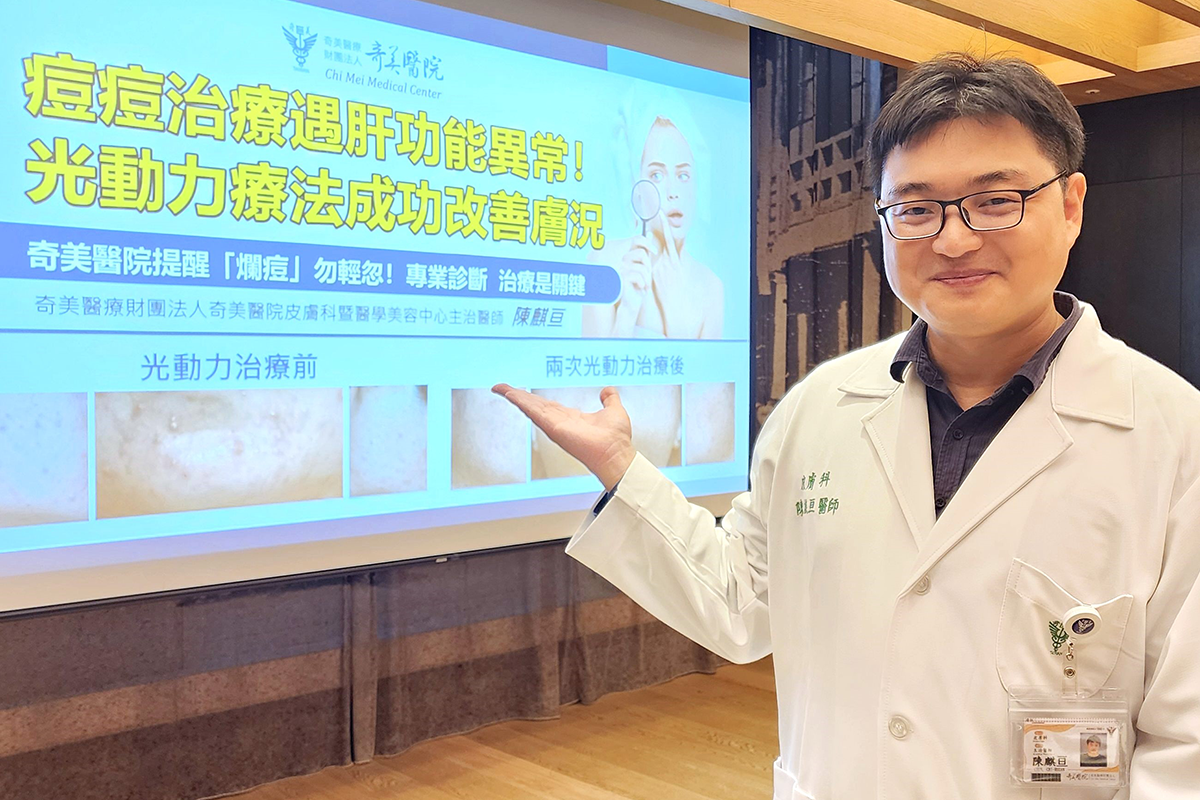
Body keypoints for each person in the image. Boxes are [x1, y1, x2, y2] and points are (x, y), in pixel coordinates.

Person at [494, 53, 1200, 799]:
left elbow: (1185, 747)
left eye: (996, 201)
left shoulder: (1173, 438)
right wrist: (621, 470)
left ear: (1071, 205)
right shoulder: (822, 406)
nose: (953, 240)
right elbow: (741, 600)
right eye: (916, 209)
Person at [581, 114, 725, 339]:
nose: (673, 192)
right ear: (636, 185)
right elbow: (591, 360)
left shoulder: (711, 287)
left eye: (683, 175)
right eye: (657, 175)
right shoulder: (604, 262)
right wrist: (627, 313)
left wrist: (675, 319)